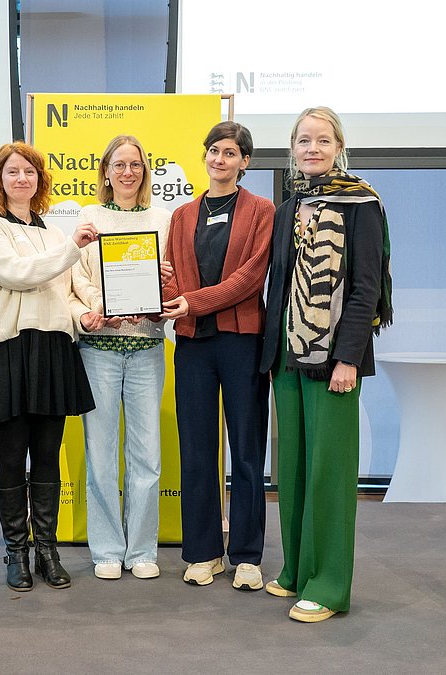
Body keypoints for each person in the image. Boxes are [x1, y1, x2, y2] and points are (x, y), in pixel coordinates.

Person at [259, 106, 393, 623]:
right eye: (303, 140)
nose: (312, 148)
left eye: (322, 140)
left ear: (339, 146)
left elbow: (365, 290)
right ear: (293, 148)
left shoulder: (362, 203)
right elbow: (279, 283)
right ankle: (297, 569)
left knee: (329, 474)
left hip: (333, 360)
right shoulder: (292, 203)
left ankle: (331, 585)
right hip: (289, 358)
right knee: (292, 469)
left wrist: (349, 359)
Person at [0, 141, 98, 592]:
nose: (22, 179)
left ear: (40, 181)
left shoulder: (51, 235)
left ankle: (47, 549)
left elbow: (64, 293)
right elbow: (16, 274)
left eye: (30, 172)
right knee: (10, 456)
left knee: (47, 455)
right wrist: (70, 251)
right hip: (6, 349)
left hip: (52, 350)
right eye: (13, 172)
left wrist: (92, 313)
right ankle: (16, 551)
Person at [161, 121, 274, 591]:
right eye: (213, 151)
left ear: (244, 162)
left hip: (242, 340)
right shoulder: (183, 215)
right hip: (192, 344)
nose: (219, 159)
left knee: (246, 450)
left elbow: (251, 277)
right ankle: (204, 552)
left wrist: (194, 300)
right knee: (197, 450)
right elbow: (168, 271)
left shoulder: (261, 211)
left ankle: (246, 555)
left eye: (230, 152)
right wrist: (178, 299)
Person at [71, 135, 172, 581]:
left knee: (147, 455)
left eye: (135, 165)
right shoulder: (88, 217)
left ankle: (142, 550)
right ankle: (108, 549)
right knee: (101, 455)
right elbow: (75, 276)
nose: (127, 172)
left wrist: (166, 283)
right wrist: (105, 305)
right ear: (106, 172)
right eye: (119, 165)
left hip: (148, 347)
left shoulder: (164, 220)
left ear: (144, 171)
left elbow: (173, 279)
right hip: (99, 351)